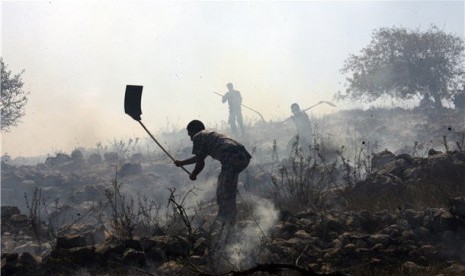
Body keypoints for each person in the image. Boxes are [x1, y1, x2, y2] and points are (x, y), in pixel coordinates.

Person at [174, 120, 252, 228]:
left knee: (225, 192)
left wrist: (194, 174)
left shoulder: (198, 137)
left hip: (230, 157)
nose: (191, 138)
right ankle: (227, 220)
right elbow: (199, 157)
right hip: (243, 156)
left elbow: (200, 162)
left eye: (190, 134)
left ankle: (225, 222)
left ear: (194, 131)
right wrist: (182, 163)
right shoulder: (209, 134)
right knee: (225, 188)